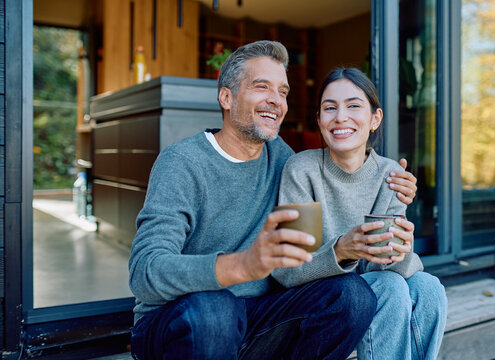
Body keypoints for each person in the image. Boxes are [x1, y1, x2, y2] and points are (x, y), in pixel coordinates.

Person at [128, 41, 417, 359]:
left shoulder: (285, 160)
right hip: (181, 320)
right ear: (227, 97)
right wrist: (243, 265)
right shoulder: (182, 161)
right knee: (216, 308)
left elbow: (311, 254)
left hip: (258, 318)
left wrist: (391, 186)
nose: (275, 101)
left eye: (283, 92)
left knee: (351, 295)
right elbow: (145, 272)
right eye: (261, 87)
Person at [276, 67, 448, 360]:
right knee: (391, 288)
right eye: (329, 108)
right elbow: (289, 271)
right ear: (319, 121)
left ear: (375, 119)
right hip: (318, 296)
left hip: (373, 283)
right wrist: (342, 249)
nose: (340, 117)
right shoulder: (302, 170)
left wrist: (400, 251)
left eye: (354, 106)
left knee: (429, 288)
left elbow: (385, 267)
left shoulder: (391, 175)